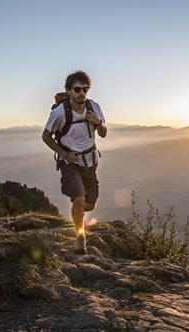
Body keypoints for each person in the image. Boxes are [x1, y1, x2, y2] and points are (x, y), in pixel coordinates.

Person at [42, 70, 107, 254]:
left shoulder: (94, 107)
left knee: (90, 203)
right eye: (77, 89)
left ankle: (77, 213)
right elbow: (46, 136)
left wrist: (99, 122)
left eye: (85, 89)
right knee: (78, 199)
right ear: (69, 91)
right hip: (69, 161)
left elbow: (103, 133)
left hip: (89, 160)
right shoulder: (60, 113)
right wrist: (64, 154)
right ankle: (80, 237)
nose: (81, 93)